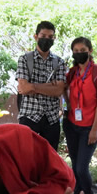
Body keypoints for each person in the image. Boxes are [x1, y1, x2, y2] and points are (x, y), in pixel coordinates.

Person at [63, 37, 97, 194]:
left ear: (90, 50)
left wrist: (94, 129)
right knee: (74, 164)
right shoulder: (72, 72)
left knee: (81, 167)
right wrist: (68, 104)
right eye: (76, 51)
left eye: (82, 50)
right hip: (72, 125)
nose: (79, 54)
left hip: (89, 127)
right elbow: (64, 89)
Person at [17, 20, 67, 150]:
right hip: (29, 116)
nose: (47, 39)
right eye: (43, 36)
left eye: (50, 37)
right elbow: (23, 88)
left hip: (51, 118)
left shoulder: (59, 62)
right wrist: (50, 85)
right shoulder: (25, 59)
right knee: (26, 157)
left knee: (50, 160)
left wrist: (33, 86)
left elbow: (58, 90)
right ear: (36, 37)